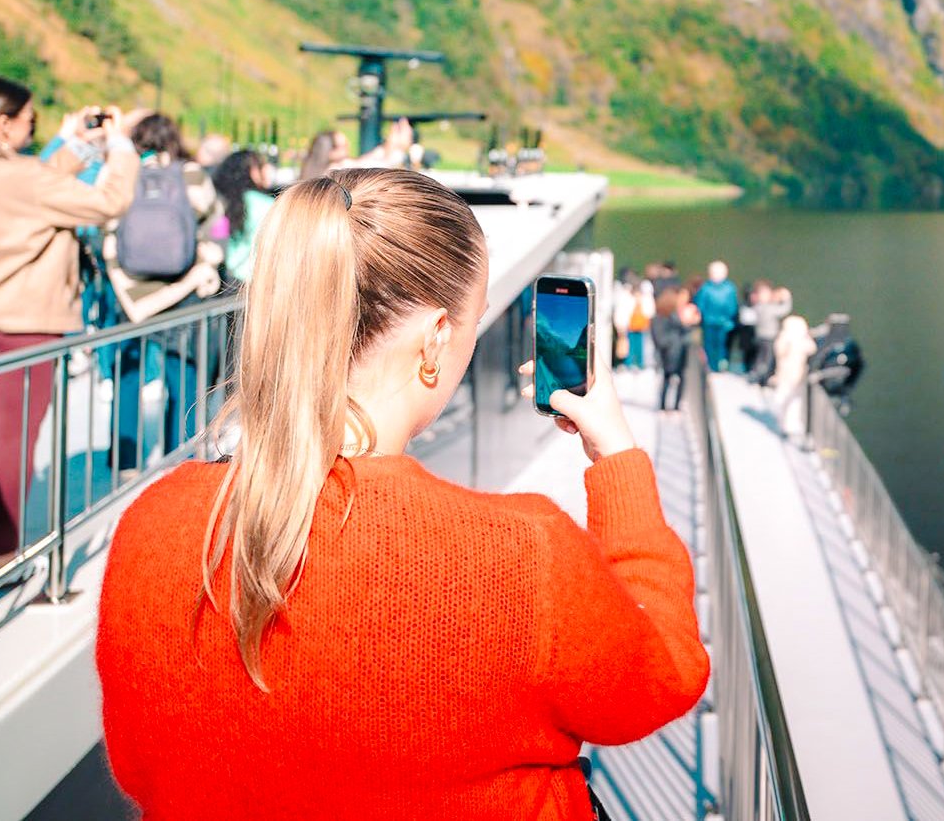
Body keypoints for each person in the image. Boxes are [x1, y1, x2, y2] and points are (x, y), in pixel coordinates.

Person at [96, 169, 708, 818]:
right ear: (438, 337)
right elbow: (664, 668)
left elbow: (140, 768)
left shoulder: (152, 526)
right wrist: (617, 458)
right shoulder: (525, 559)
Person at [0, 80, 137, 568]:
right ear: (5, 124)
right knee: (12, 442)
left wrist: (76, 143)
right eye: (30, 121)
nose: (31, 128)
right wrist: (119, 147)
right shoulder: (21, 178)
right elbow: (108, 202)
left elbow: (31, 187)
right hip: (25, 323)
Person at [106, 114, 224, 466]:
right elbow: (216, 219)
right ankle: (181, 456)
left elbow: (105, 220)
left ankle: (125, 459)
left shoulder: (126, 174)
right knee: (183, 375)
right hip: (182, 287)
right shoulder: (190, 173)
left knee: (127, 375)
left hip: (129, 287)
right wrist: (210, 256)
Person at [211, 149, 276, 285]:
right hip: (258, 279)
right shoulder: (267, 205)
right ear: (253, 172)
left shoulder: (222, 203)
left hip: (227, 278)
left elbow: (218, 237)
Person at [772, 314, 817, 440]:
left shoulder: (801, 340)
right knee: (783, 398)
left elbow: (812, 349)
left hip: (799, 374)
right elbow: (780, 352)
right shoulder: (785, 339)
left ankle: (791, 423)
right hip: (786, 373)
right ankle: (783, 423)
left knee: (795, 399)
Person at [693, 261, 739, 374]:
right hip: (713, 322)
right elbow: (700, 305)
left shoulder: (726, 288)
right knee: (713, 344)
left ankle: (718, 365)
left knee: (720, 345)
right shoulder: (708, 288)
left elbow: (733, 306)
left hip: (720, 322)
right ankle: (715, 365)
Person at [648, 289, 689, 412]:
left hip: (676, 354)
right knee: (667, 380)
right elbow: (660, 340)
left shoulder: (673, 317)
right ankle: (663, 405)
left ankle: (675, 405)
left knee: (678, 380)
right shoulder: (659, 319)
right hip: (667, 355)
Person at [748, 283, 792, 386]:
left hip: (760, 337)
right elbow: (784, 309)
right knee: (768, 359)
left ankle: (756, 375)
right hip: (769, 338)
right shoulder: (768, 309)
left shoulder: (758, 307)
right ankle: (762, 378)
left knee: (761, 357)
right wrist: (787, 298)